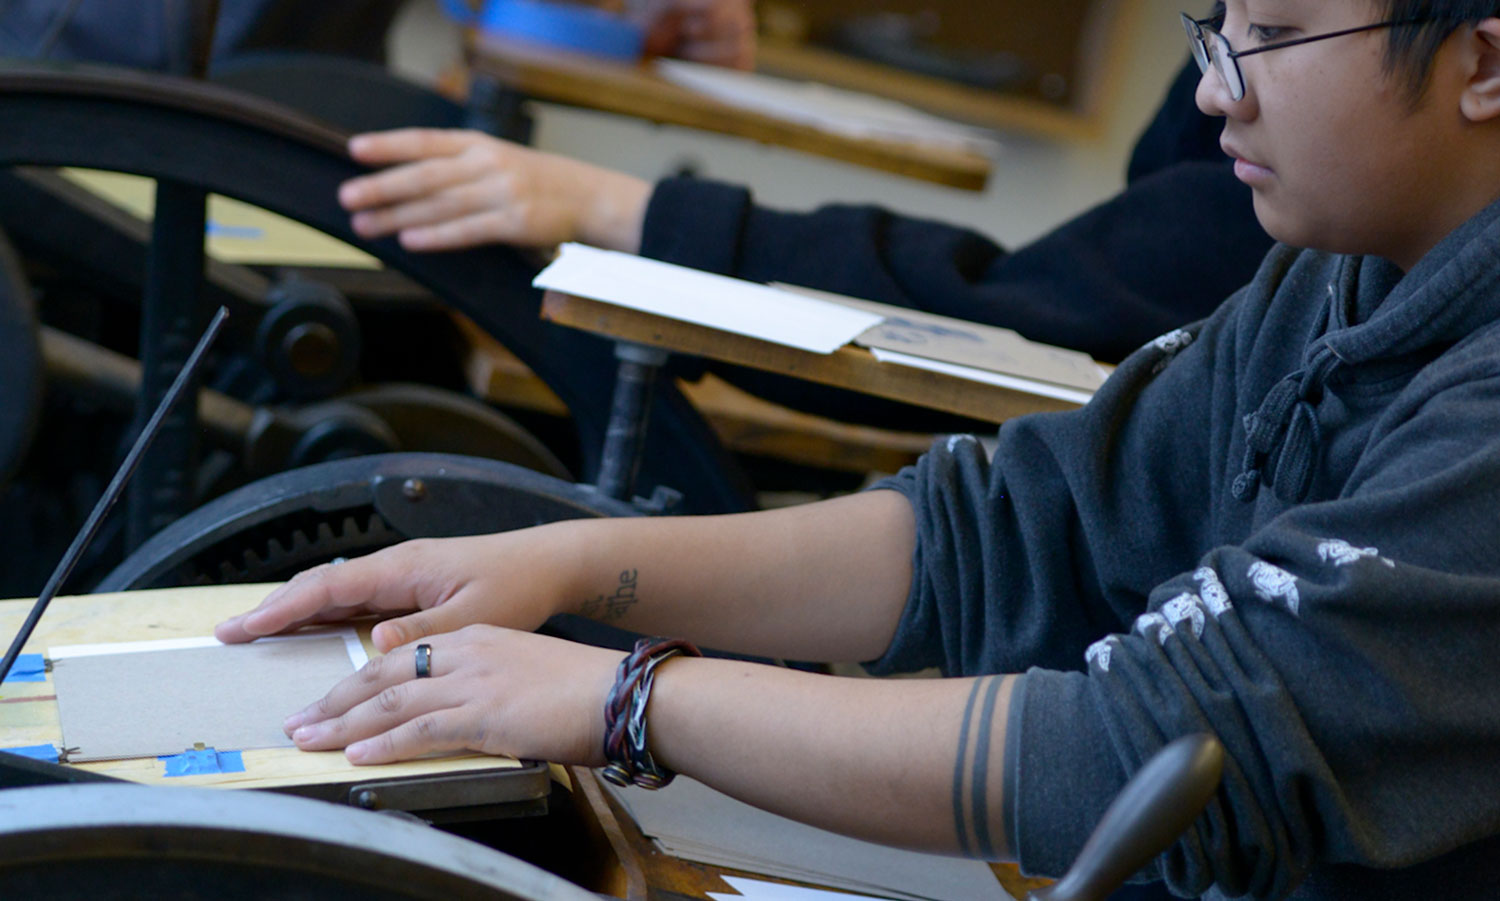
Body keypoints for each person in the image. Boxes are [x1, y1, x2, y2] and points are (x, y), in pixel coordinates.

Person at [217, 1, 1500, 897]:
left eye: (1271, 35)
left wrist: (630, 700)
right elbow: (1013, 525)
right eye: (1213, 32)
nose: (1219, 87)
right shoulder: (1328, 279)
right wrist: (572, 561)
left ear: (1483, 62)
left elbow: (1146, 745)